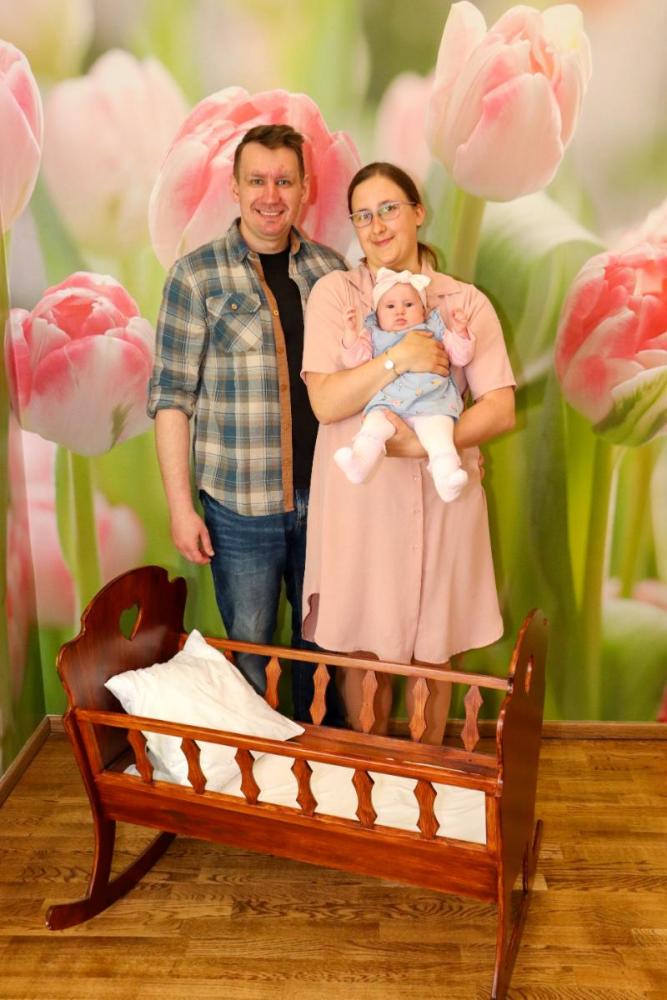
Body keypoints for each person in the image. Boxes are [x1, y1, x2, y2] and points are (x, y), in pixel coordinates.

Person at [301, 162, 516, 743]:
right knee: (363, 650)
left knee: (435, 651)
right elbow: (327, 401)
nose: (377, 226)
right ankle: (370, 775)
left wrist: (422, 444)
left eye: (389, 209)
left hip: (443, 498)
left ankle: (428, 775)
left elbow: (499, 407)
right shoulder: (337, 295)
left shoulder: (463, 302)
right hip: (363, 501)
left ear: (418, 212)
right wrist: (400, 358)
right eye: (363, 216)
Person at [147, 124, 346, 724]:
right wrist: (181, 508)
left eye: (284, 180)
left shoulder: (332, 272)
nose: (271, 195)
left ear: (305, 188)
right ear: (234, 188)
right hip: (239, 510)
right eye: (257, 180)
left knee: (325, 651)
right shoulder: (195, 276)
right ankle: (256, 768)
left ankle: (320, 766)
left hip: (328, 501)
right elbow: (171, 398)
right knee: (251, 656)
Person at [334, 266, 474, 502]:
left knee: (439, 436)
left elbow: (461, 357)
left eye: (409, 305)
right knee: (373, 427)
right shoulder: (373, 334)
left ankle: (447, 479)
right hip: (389, 404)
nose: (400, 311)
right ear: (377, 313)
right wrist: (350, 333)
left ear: (423, 310)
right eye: (390, 307)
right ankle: (360, 463)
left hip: (432, 403)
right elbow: (353, 360)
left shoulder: (435, 329)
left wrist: (461, 332)